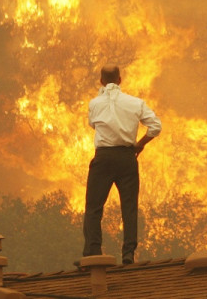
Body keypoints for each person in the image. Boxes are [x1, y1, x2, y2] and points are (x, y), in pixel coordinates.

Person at [82, 65, 162, 265]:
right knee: (129, 208)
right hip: (127, 158)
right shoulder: (135, 103)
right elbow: (155, 126)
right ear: (120, 79)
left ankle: (93, 253)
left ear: (101, 81)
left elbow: (93, 124)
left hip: (103, 158)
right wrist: (140, 145)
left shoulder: (94, 104)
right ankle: (128, 254)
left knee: (93, 208)